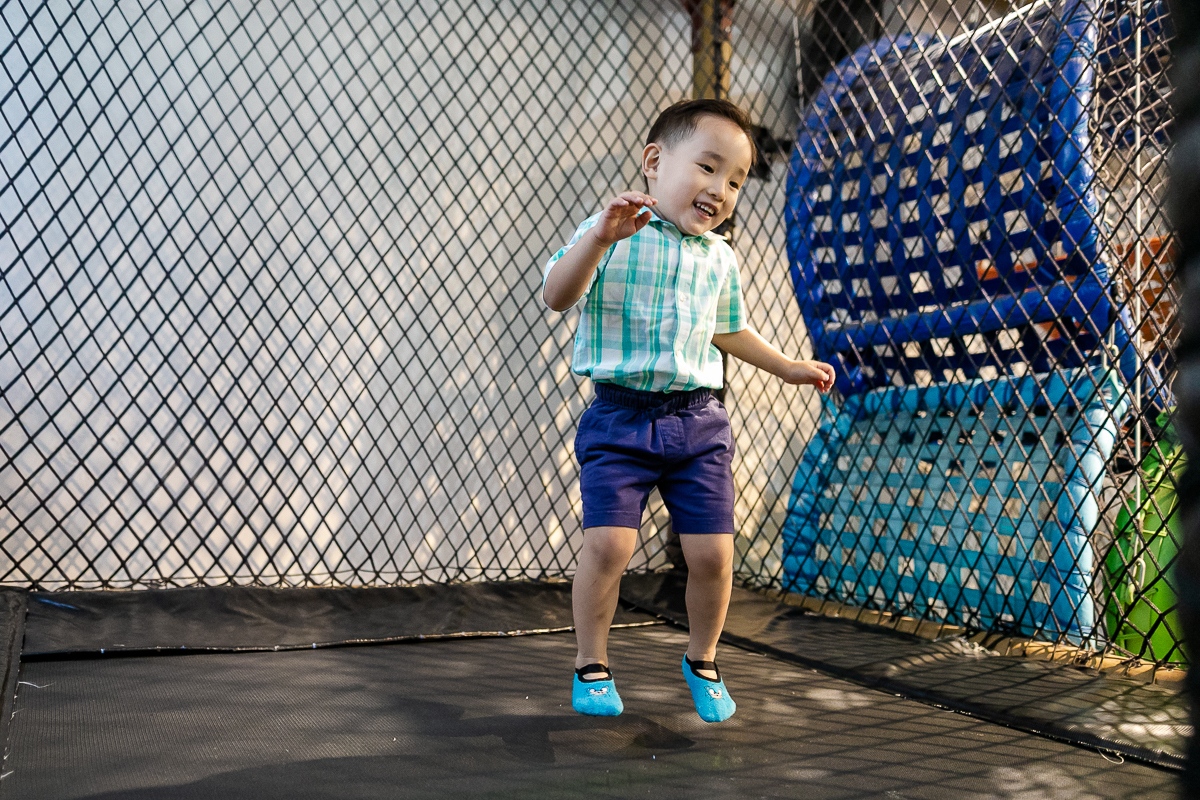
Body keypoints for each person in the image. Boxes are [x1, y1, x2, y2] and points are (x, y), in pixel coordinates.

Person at [542, 98, 835, 722]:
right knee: (609, 546)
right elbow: (558, 294)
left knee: (713, 556)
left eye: (736, 181)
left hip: (699, 423)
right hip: (620, 418)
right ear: (655, 161)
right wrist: (598, 238)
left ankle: (702, 659)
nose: (721, 190)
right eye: (708, 167)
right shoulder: (612, 233)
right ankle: (591, 663)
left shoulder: (719, 256)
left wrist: (788, 366)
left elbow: (729, 330)